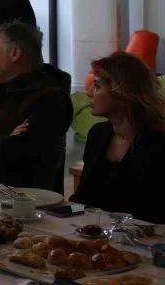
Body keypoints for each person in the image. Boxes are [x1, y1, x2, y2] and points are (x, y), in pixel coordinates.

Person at [0, 21, 72, 193]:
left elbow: (16, 154)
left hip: (27, 205)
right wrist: (2, 139)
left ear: (15, 53)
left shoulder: (49, 98)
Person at [70, 52, 165, 223]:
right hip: (94, 235)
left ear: (121, 92)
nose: (89, 93)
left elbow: (154, 211)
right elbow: (82, 198)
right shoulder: (98, 134)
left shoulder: (158, 142)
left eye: (97, 86)